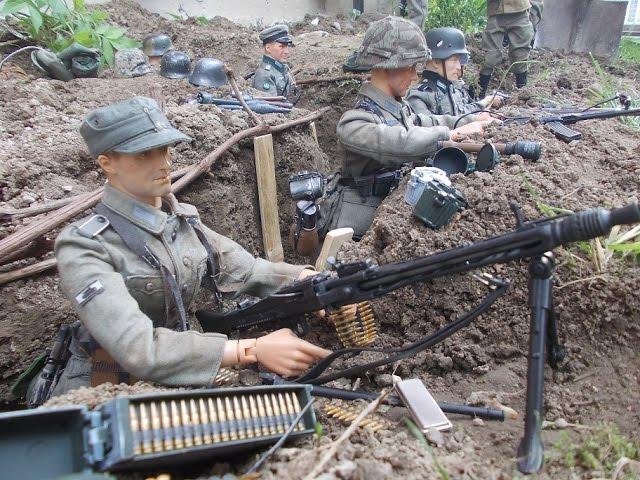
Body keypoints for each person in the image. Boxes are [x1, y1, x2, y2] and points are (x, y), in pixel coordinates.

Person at [44, 97, 330, 398]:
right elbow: (136, 348)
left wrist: (312, 282)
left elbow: (249, 271)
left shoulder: (181, 222)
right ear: (107, 164)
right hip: (105, 384)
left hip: (182, 365)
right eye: (144, 154)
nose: (164, 163)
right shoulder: (85, 245)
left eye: (165, 149)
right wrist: (249, 349)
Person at [318, 16, 492, 242]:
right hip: (355, 227)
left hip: (389, 209)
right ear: (386, 67)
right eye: (409, 67)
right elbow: (400, 141)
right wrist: (450, 135)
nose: (414, 75)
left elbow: (426, 121)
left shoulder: (398, 108)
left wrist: (469, 121)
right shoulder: (354, 122)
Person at [407, 27, 503, 117]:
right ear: (436, 61)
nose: (458, 67)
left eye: (459, 60)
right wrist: (476, 120)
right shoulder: (419, 96)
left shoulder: (454, 89)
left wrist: (485, 103)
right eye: (453, 60)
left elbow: (463, 112)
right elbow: (430, 128)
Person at [479, 0, 536, 98]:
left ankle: (522, 95)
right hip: (496, 13)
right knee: (489, 58)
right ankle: (479, 95)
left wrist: (534, 16)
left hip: (520, 11)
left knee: (520, 57)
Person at [252, 24, 297, 98]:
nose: (286, 51)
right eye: (281, 46)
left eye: (287, 46)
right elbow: (271, 105)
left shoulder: (281, 69)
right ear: (268, 48)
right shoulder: (264, 74)